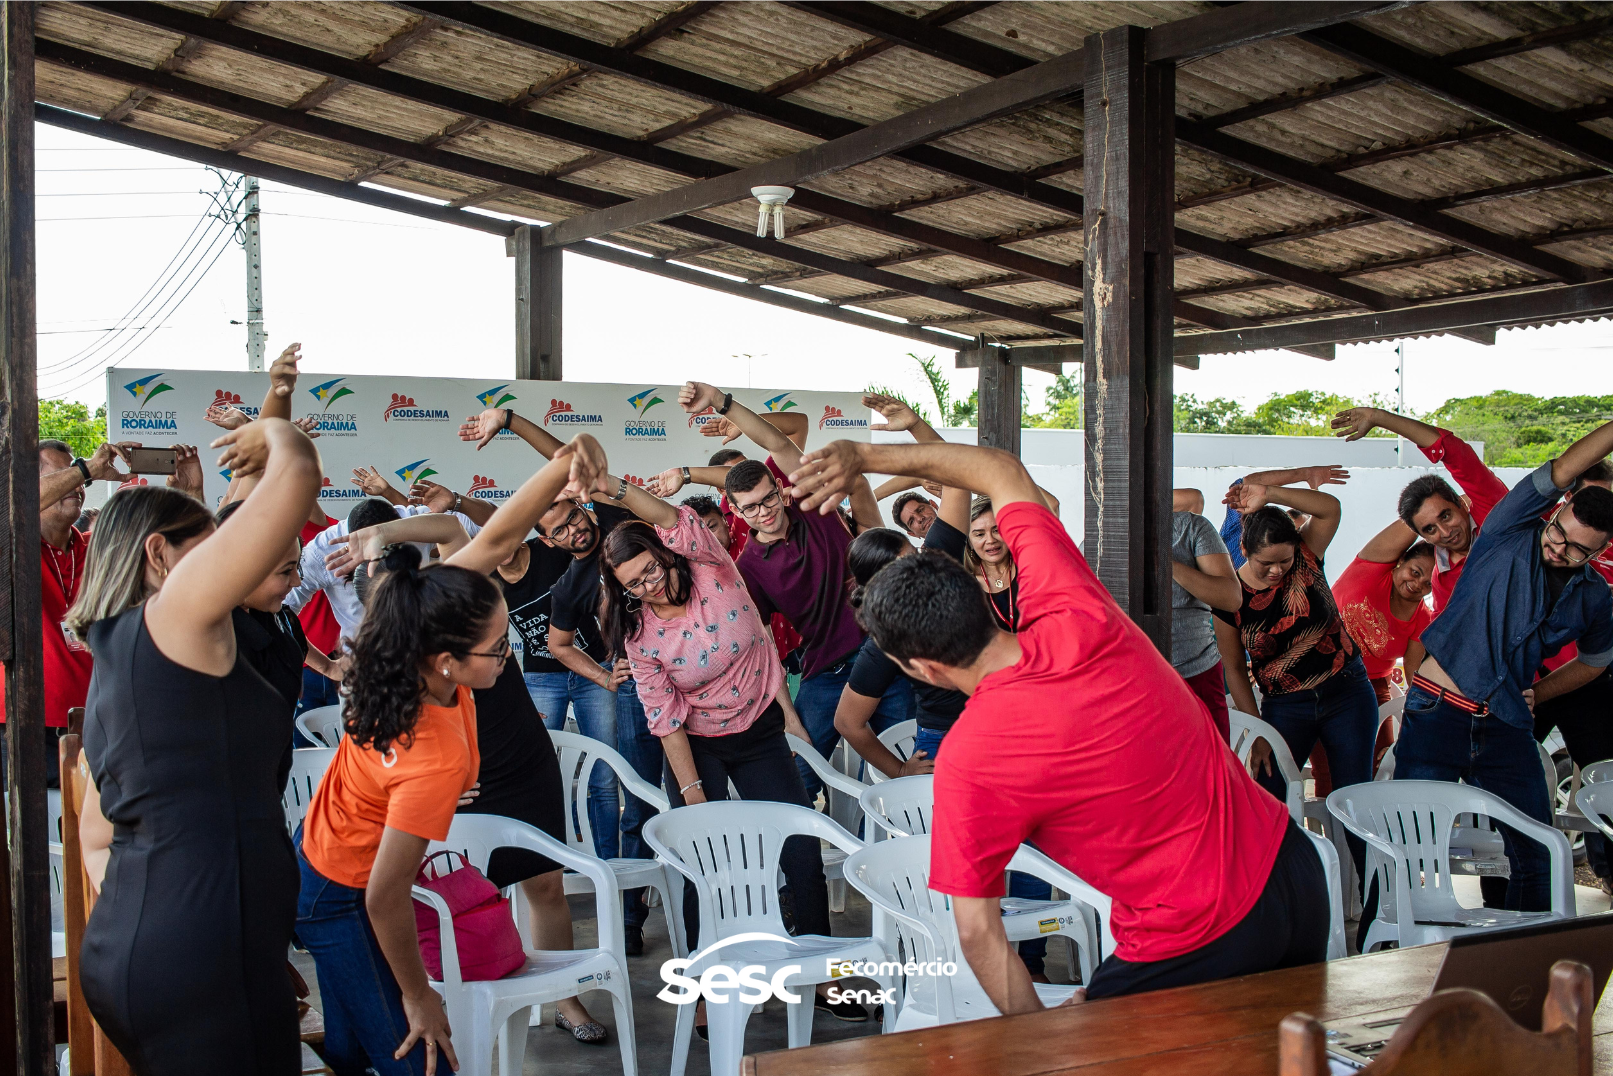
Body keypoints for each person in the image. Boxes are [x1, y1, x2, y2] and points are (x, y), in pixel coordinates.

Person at [786, 437, 1324, 1007]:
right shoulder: (1072, 605)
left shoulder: (971, 759)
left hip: (1196, 933)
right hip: (1293, 868)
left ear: (922, 668)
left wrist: (1040, 1043)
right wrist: (860, 456)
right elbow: (998, 468)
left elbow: (976, 932)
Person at [296, 433, 610, 1076]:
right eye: (497, 650)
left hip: (335, 863)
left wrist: (561, 462)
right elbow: (384, 898)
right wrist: (420, 997)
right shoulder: (430, 752)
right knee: (427, 1058)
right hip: (338, 894)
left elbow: (496, 539)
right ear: (447, 662)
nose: (508, 657)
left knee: (356, 1049)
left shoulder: (420, 626)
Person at [69, 417, 321, 1075]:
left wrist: (216, 942)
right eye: (214, 549)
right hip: (197, 957)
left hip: (168, 952)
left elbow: (97, 836)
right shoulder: (174, 618)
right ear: (159, 557)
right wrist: (277, 433)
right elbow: (295, 479)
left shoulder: (124, 652)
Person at [596, 499, 868, 1022]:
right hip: (697, 744)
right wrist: (695, 798)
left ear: (665, 552)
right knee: (704, 864)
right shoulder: (640, 634)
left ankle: (818, 977)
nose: (648, 585)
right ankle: (703, 986)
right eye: (633, 583)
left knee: (801, 850)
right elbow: (666, 718)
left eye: (650, 568)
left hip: (759, 730)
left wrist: (613, 486)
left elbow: (676, 518)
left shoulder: (711, 567)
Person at [459, 404, 664, 950]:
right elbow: (556, 645)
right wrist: (604, 676)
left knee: (658, 795)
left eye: (574, 517)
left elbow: (563, 458)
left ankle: (670, 899)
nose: (574, 530)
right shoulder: (571, 582)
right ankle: (626, 916)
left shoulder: (621, 524)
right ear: (545, 541)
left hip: (687, 677)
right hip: (632, 692)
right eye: (559, 530)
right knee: (629, 792)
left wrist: (509, 419)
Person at [1400, 420, 1613, 914]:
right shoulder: (1509, 527)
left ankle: (1524, 962)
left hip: (1506, 724)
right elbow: (1564, 467)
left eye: (1578, 549)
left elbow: (1596, 661)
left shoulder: (1596, 598)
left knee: (1538, 850)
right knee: (1409, 842)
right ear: (1556, 514)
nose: (1559, 549)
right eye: (1560, 534)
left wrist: (1545, 692)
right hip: (1438, 711)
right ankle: (1385, 947)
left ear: (1599, 553)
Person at [675, 383, 908, 797]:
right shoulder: (748, 566)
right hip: (825, 672)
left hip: (884, 651)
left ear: (781, 491)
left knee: (910, 761)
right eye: (751, 508)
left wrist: (721, 402)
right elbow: (761, 642)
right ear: (736, 510)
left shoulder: (812, 505)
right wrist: (788, 714)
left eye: (768, 500)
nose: (764, 513)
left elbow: (778, 440)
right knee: (799, 776)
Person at [1213, 481, 1376, 887]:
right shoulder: (1229, 596)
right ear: (1245, 552)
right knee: (1270, 799)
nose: (1276, 571)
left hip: (1347, 693)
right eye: (1266, 563)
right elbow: (1234, 669)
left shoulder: (1305, 556)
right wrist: (1259, 733)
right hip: (1287, 707)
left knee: (1356, 799)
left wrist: (1269, 493)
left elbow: (1329, 508)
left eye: (1283, 562)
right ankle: (1276, 898)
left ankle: (1380, 908)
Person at [0, 439, 127, 786]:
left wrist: (187, 490)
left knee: (93, 834)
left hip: (98, 723)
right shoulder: (9, 546)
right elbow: (14, 506)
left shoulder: (96, 547)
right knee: (36, 835)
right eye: (63, 475)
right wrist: (86, 470)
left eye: (78, 477)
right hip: (26, 724)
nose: (77, 485)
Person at [1332, 407, 1507, 612]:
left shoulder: (1491, 506)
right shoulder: (1442, 584)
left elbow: (1454, 452)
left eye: (1446, 516)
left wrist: (1378, 418)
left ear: (1461, 503)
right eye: (1430, 529)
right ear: (1422, 537)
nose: (1446, 532)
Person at [1168, 504, 1241, 743]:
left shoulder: (1190, 527)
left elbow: (1231, 598)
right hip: (1128, 680)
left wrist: (1168, 564)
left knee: (1210, 773)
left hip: (1195, 673)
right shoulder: (1099, 534)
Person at [1218, 466, 1350, 569]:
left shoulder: (1303, 560)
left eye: (1297, 534)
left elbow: (1330, 509)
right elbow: (1242, 487)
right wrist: (1306, 474)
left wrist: (1269, 494)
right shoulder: (1238, 528)